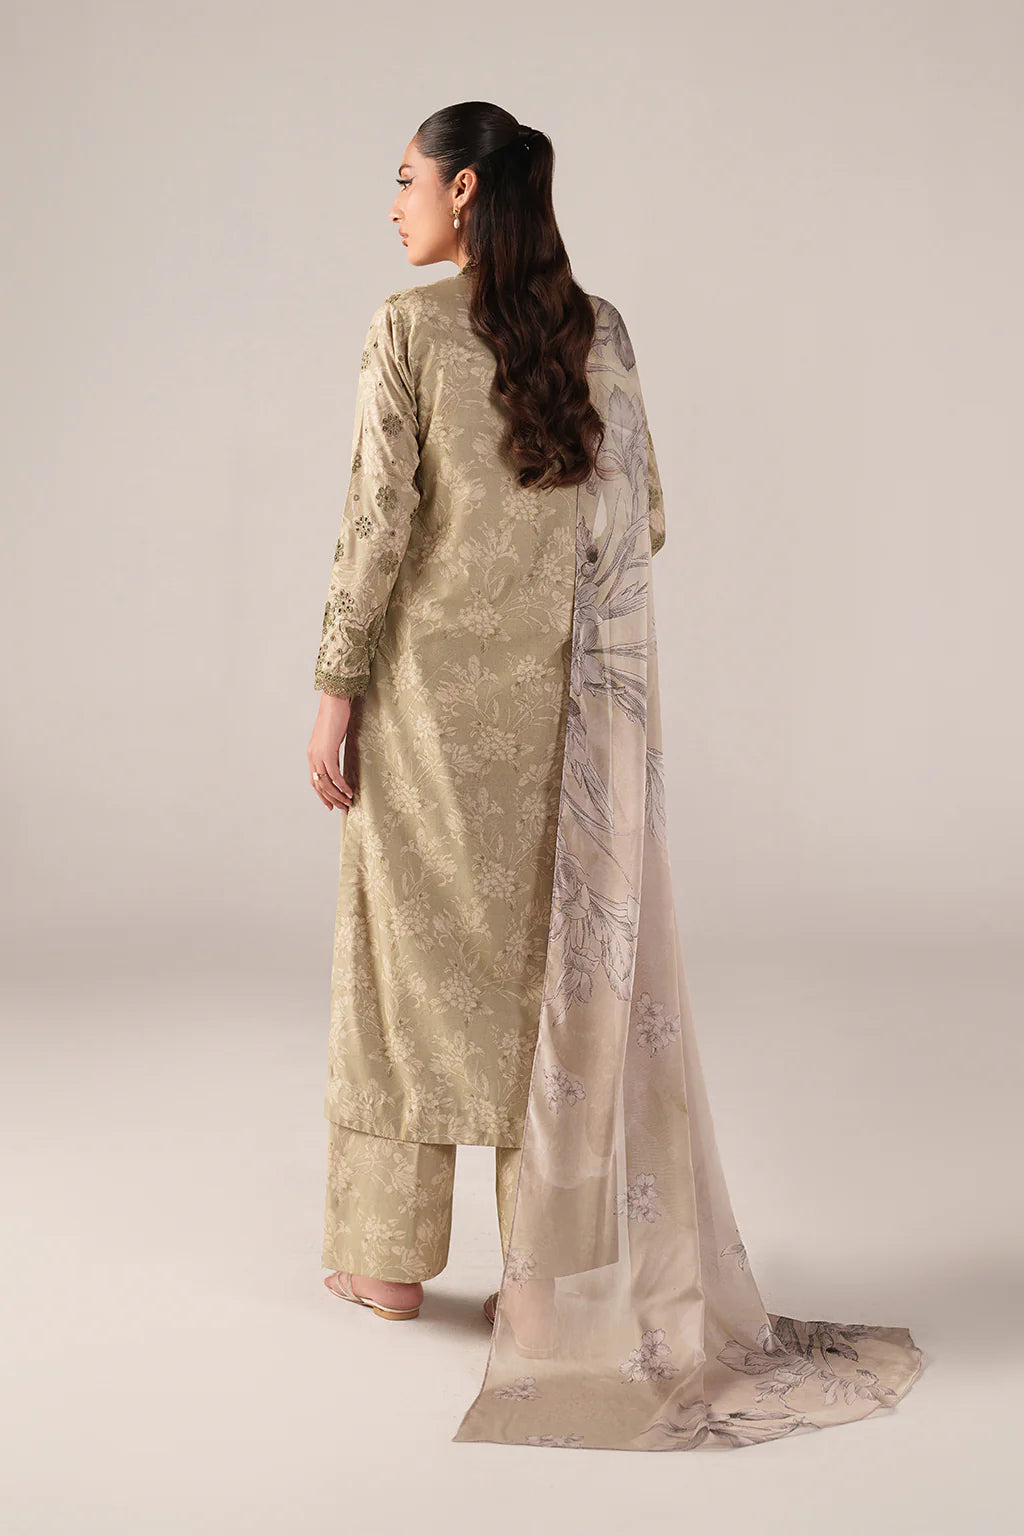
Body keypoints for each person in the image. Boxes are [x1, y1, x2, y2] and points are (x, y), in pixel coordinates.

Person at [307, 102, 925, 1451]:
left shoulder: (404, 330)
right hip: (566, 722)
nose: (392, 204)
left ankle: (388, 1267)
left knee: (401, 977)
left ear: (465, 193)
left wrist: (337, 684)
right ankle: (547, 1285)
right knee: (554, 980)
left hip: (425, 716)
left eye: (406, 179)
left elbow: (376, 522)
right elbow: (645, 520)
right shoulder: (603, 331)